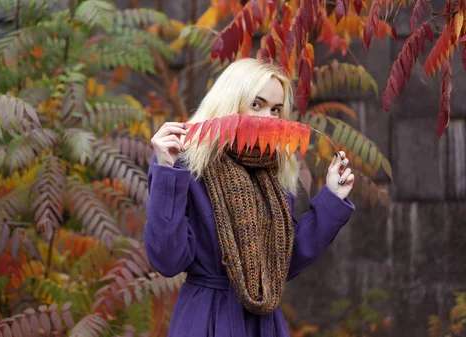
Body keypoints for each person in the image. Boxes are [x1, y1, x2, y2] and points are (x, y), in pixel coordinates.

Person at [143, 58, 356, 337]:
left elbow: (283, 262)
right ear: (230, 103)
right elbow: (168, 260)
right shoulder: (185, 164)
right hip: (206, 318)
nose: (267, 118)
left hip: (262, 323)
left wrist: (332, 199)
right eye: (256, 104)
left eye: (276, 109)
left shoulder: (274, 171)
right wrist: (165, 172)